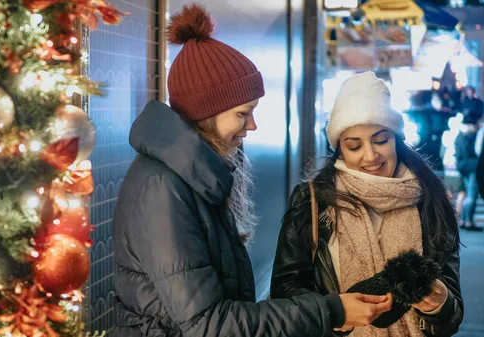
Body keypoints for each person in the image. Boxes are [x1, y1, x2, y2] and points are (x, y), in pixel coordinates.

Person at [109, 5, 392, 337]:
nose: (252, 126)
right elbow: (208, 323)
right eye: (244, 113)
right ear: (207, 111)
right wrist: (331, 310)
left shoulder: (190, 174)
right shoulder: (163, 188)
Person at [271, 72, 463, 336]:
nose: (370, 155)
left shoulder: (430, 199)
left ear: (396, 138)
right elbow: (285, 290)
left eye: (381, 140)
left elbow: (452, 317)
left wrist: (439, 305)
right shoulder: (313, 201)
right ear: (339, 149)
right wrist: (335, 313)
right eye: (354, 145)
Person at [455, 111, 482, 230]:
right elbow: (478, 150)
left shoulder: (460, 136)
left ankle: (463, 220)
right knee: (472, 194)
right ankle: (468, 221)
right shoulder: (473, 135)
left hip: (462, 166)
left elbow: (458, 153)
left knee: (467, 194)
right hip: (473, 167)